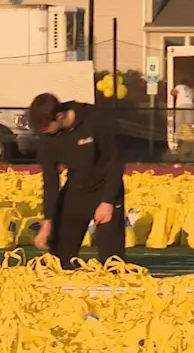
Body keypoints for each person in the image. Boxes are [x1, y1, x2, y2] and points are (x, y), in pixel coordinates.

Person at [28, 93, 125, 270]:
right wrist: (48, 222)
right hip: (76, 189)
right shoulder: (47, 139)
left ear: (59, 116)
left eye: (46, 127)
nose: (44, 133)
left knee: (113, 263)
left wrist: (108, 201)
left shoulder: (95, 121)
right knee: (58, 262)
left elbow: (115, 162)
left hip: (105, 188)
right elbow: (50, 181)